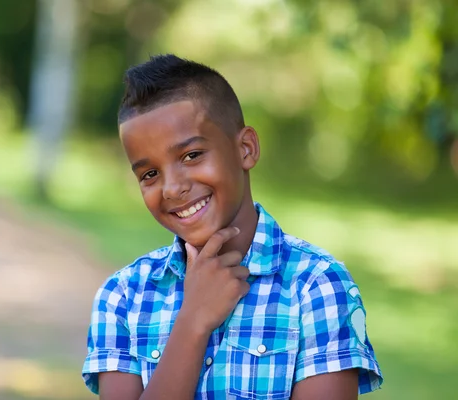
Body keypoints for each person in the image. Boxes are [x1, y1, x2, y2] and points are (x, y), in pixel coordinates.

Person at [82, 54, 383, 399]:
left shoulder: (316, 288)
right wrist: (192, 322)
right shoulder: (122, 297)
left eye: (191, 155)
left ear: (246, 149)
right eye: (150, 174)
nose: (172, 188)